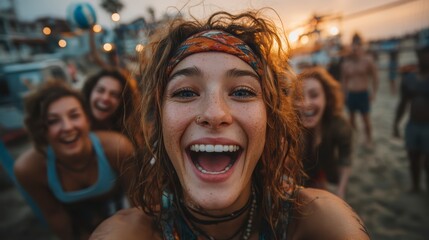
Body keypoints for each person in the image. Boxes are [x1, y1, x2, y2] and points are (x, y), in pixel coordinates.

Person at [90, 10, 369, 239]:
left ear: (270, 118)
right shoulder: (126, 234)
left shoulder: (320, 224)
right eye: (185, 92)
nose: (214, 113)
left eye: (242, 92)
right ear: (159, 119)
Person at [14, 81, 135, 239]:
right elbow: (55, 215)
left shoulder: (117, 147)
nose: (67, 127)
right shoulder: (29, 169)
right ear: (40, 129)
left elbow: (139, 202)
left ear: (87, 120)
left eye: (74, 115)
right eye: (53, 121)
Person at [297, 67, 353, 199]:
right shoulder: (289, 127)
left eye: (314, 95)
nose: (306, 103)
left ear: (327, 99)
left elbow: (345, 160)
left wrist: (341, 190)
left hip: (330, 180)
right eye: (299, 96)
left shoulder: (339, 126)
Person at [393, 46, 429, 193]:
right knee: (413, 157)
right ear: (418, 55)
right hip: (412, 125)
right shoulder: (409, 79)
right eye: (424, 54)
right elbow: (403, 102)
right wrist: (396, 123)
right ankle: (415, 186)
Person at [341, 33, 379, 147]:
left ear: (360, 47)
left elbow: (375, 77)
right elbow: (344, 81)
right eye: (353, 48)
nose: (355, 50)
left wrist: (374, 92)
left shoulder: (367, 61)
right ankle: (355, 136)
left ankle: (368, 139)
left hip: (363, 93)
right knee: (351, 119)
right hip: (352, 94)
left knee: (366, 119)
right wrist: (344, 95)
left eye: (357, 47)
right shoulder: (346, 64)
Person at [82, 69, 136, 134]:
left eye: (114, 95)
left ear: (122, 103)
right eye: (100, 90)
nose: (105, 98)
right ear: (89, 92)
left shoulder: (127, 133)